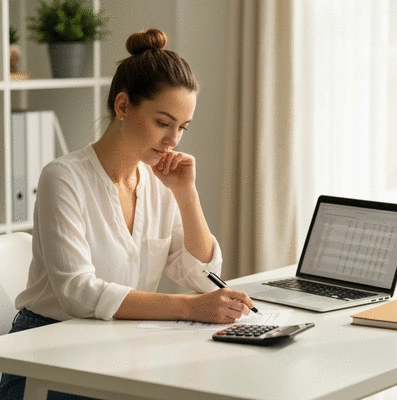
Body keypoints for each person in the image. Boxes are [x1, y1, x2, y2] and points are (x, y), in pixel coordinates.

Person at [0, 28, 255, 399]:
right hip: (46, 358)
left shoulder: (158, 182)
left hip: (116, 351)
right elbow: (78, 292)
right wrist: (189, 308)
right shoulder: (64, 177)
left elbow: (203, 278)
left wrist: (186, 193)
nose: (173, 140)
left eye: (182, 127)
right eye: (163, 123)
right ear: (122, 106)